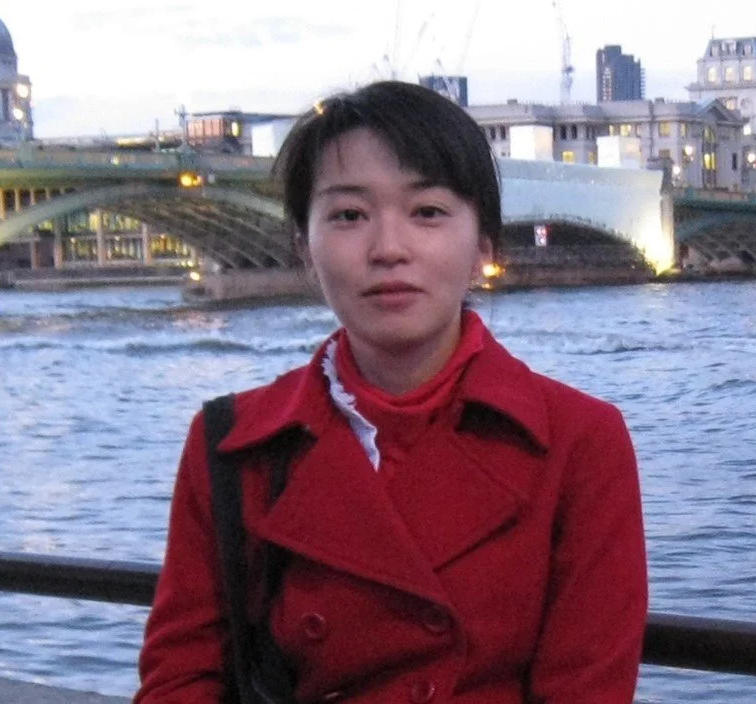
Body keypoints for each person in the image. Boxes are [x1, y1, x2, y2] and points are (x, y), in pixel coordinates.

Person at [135, 80, 648, 703]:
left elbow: (587, 689)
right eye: (348, 216)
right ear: (305, 246)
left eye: (427, 212)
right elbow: (180, 679)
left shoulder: (579, 441)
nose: (388, 249)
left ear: (483, 244)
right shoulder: (230, 443)